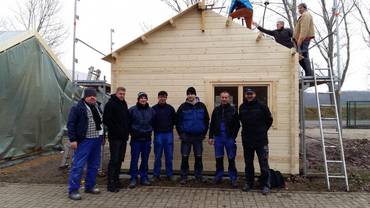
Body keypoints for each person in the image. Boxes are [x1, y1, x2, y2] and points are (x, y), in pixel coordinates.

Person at [67, 87, 103, 200]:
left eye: (94, 95)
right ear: (85, 97)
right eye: (90, 95)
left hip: (97, 139)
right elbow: (71, 124)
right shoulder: (77, 108)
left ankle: (89, 186)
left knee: (94, 165)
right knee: (78, 166)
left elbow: (101, 123)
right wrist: (73, 139)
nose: (92, 97)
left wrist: (103, 137)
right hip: (84, 140)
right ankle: (73, 190)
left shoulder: (97, 107)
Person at [239, 88, 273, 195]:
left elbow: (269, 120)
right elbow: (241, 120)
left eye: (251, 94)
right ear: (245, 95)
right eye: (247, 94)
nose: (249, 95)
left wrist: (262, 130)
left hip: (261, 140)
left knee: (263, 164)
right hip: (247, 140)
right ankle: (249, 183)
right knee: (248, 164)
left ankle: (265, 185)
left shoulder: (262, 106)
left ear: (255, 94)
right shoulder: (242, 107)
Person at [176, 87, 209, 185]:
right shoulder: (183, 107)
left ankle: (198, 176)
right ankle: (184, 177)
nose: (190, 95)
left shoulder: (202, 106)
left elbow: (206, 120)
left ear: (195, 94)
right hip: (186, 137)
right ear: (187, 95)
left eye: (192, 93)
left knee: (198, 157)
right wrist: (181, 134)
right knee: (185, 157)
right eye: (188, 94)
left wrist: (204, 133)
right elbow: (178, 122)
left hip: (198, 137)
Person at [208, 91, 240, 188]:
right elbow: (212, 124)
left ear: (229, 98)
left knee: (231, 158)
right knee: (219, 158)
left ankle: (233, 178)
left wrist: (233, 136)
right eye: (222, 97)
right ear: (220, 98)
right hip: (218, 138)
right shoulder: (216, 110)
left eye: (226, 97)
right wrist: (210, 137)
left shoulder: (233, 110)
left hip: (229, 138)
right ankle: (219, 176)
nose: (224, 99)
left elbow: (237, 125)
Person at [103, 87, 130, 192]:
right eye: (120, 94)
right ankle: (110, 183)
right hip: (115, 138)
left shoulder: (124, 104)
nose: (122, 95)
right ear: (116, 93)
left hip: (123, 137)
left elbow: (126, 119)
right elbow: (106, 120)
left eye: (123, 94)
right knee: (114, 160)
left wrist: (126, 131)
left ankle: (116, 180)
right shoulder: (110, 104)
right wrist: (116, 129)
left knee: (119, 160)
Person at [128, 92, 156, 188]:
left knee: (145, 159)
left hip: (147, 139)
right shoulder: (132, 110)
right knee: (134, 159)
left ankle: (144, 177)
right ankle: (133, 178)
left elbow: (154, 123)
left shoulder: (151, 111)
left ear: (147, 99)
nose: (143, 99)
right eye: (141, 98)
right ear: (138, 99)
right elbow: (128, 124)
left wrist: (149, 130)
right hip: (136, 139)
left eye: (145, 98)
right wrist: (133, 132)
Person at [152, 91, 176, 182]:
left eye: (164, 97)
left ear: (166, 98)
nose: (162, 98)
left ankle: (169, 174)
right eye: (161, 97)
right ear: (158, 97)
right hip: (158, 134)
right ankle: (156, 174)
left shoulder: (170, 108)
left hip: (168, 134)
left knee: (169, 156)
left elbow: (175, 120)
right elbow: (151, 121)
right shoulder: (153, 109)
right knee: (157, 156)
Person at [294, 3, 315, 76]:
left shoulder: (306, 15)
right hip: (302, 39)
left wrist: (300, 40)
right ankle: (309, 73)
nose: (299, 10)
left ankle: (309, 74)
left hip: (304, 39)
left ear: (304, 8)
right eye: (298, 9)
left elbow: (304, 29)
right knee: (301, 57)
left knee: (304, 56)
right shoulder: (303, 15)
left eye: (300, 8)